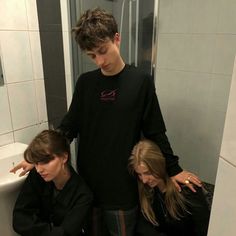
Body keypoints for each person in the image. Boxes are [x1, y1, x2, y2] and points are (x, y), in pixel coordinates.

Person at [11, 8, 202, 236]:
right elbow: (68, 128)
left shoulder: (140, 82)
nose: (100, 61)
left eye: (103, 51)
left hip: (122, 187)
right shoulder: (86, 83)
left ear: (117, 38)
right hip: (88, 186)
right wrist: (39, 158)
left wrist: (174, 169)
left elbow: (155, 131)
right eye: (92, 55)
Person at [12, 130, 93, 236]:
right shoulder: (37, 176)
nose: (39, 169)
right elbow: (19, 218)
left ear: (64, 157)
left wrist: (34, 227)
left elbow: (66, 233)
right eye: (36, 163)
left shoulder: (83, 195)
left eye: (45, 161)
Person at [129, 139, 210, 236]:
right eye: (139, 174)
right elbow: (143, 225)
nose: (144, 180)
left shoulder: (187, 189)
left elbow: (204, 229)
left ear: (159, 166)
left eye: (147, 173)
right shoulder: (147, 190)